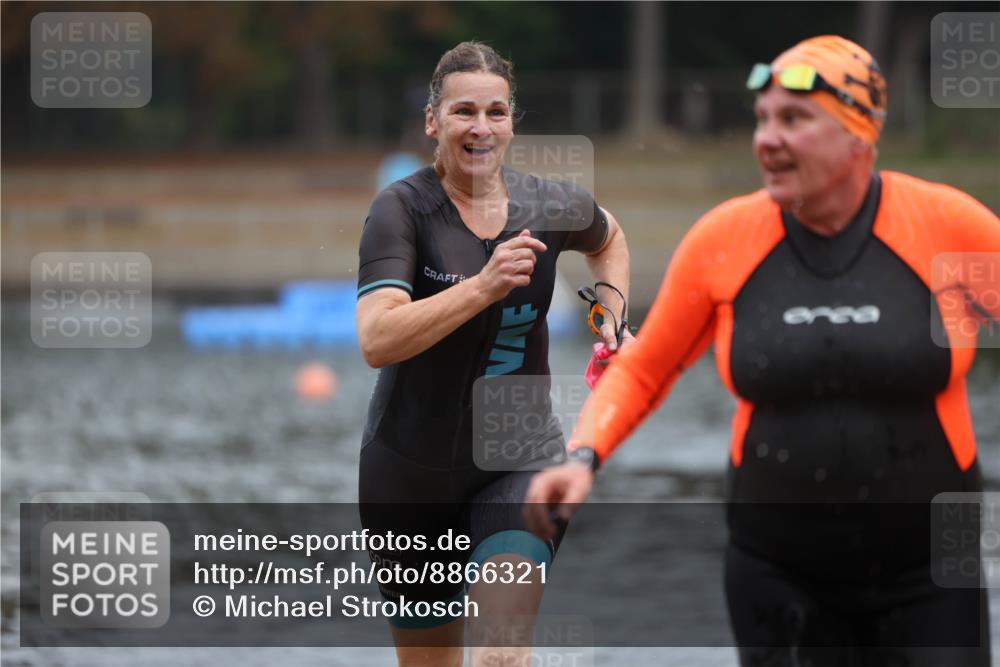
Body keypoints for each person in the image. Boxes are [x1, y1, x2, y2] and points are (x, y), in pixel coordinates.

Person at [526, 35, 1000, 666]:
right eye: (764, 119)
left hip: (934, 572)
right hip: (780, 573)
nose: (767, 139)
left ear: (859, 134)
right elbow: (646, 368)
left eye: (795, 119)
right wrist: (583, 457)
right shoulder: (725, 239)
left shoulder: (946, 227)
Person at [356, 41, 633, 667]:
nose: (481, 128)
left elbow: (609, 238)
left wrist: (610, 318)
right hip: (409, 474)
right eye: (463, 112)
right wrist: (484, 287)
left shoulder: (549, 204)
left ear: (512, 121)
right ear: (433, 121)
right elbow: (376, 339)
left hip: (521, 459)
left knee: (501, 657)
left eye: (497, 112)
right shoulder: (401, 210)